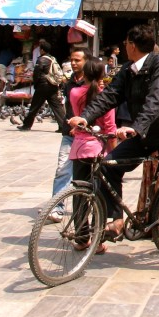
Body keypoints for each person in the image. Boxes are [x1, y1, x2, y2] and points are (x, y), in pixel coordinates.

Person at [69, 25, 159, 274]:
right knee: (108, 167)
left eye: (126, 43)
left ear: (132, 45)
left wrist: (134, 127)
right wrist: (85, 117)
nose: (124, 47)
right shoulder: (127, 70)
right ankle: (116, 221)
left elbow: (155, 101)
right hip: (144, 134)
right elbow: (109, 96)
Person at [65, 56, 114, 250]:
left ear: (84, 74)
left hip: (79, 147)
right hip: (98, 149)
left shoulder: (75, 92)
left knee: (80, 194)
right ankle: (98, 238)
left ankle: (81, 238)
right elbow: (110, 128)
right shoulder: (105, 96)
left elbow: (76, 117)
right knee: (98, 195)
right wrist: (112, 151)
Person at [45, 47, 87, 223]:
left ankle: (89, 208)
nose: (74, 63)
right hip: (69, 133)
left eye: (78, 60)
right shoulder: (69, 82)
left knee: (88, 175)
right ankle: (57, 208)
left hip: (87, 136)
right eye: (72, 60)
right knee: (63, 170)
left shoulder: (92, 83)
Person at [18, 40, 65, 131]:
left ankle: (26, 125)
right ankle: (63, 127)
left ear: (42, 50)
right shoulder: (52, 58)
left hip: (43, 86)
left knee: (34, 106)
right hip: (52, 85)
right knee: (57, 107)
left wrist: (36, 85)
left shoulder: (41, 59)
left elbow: (37, 74)